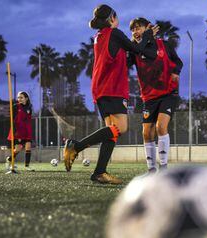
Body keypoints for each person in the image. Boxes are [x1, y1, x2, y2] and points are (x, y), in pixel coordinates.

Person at [63, 5, 158, 184]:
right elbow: (138, 50)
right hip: (112, 87)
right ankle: (76, 145)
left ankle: (99, 172)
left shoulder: (100, 35)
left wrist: (139, 40)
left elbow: (128, 53)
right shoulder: (114, 33)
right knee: (121, 128)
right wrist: (147, 35)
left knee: (111, 132)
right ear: (112, 18)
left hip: (101, 87)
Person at [128, 17, 183, 173]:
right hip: (148, 97)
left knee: (160, 127)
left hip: (168, 93)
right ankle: (152, 170)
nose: (135, 32)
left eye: (138, 28)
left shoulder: (163, 45)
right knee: (146, 132)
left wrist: (175, 72)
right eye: (133, 29)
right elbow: (124, 64)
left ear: (148, 28)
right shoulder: (134, 51)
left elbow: (178, 62)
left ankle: (163, 167)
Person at [5, 91, 34, 171]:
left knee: (28, 147)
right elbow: (12, 119)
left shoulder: (29, 107)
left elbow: (28, 119)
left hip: (27, 131)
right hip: (18, 131)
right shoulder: (15, 107)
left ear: (26, 98)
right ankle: (9, 159)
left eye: (21, 97)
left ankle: (27, 166)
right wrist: (15, 131)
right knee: (18, 149)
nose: (19, 99)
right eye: (18, 97)